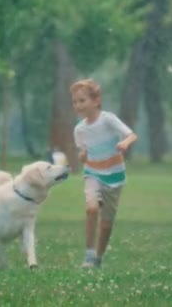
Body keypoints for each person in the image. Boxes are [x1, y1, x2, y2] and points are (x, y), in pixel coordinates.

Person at [70, 78, 138, 269]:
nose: (78, 105)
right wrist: (82, 154)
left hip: (115, 176)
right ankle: (89, 254)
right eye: (75, 102)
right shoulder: (79, 130)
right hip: (92, 173)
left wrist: (125, 143)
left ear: (96, 100)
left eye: (82, 100)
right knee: (91, 209)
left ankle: (98, 258)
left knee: (107, 224)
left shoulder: (108, 119)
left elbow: (132, 135)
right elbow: (82, 151)